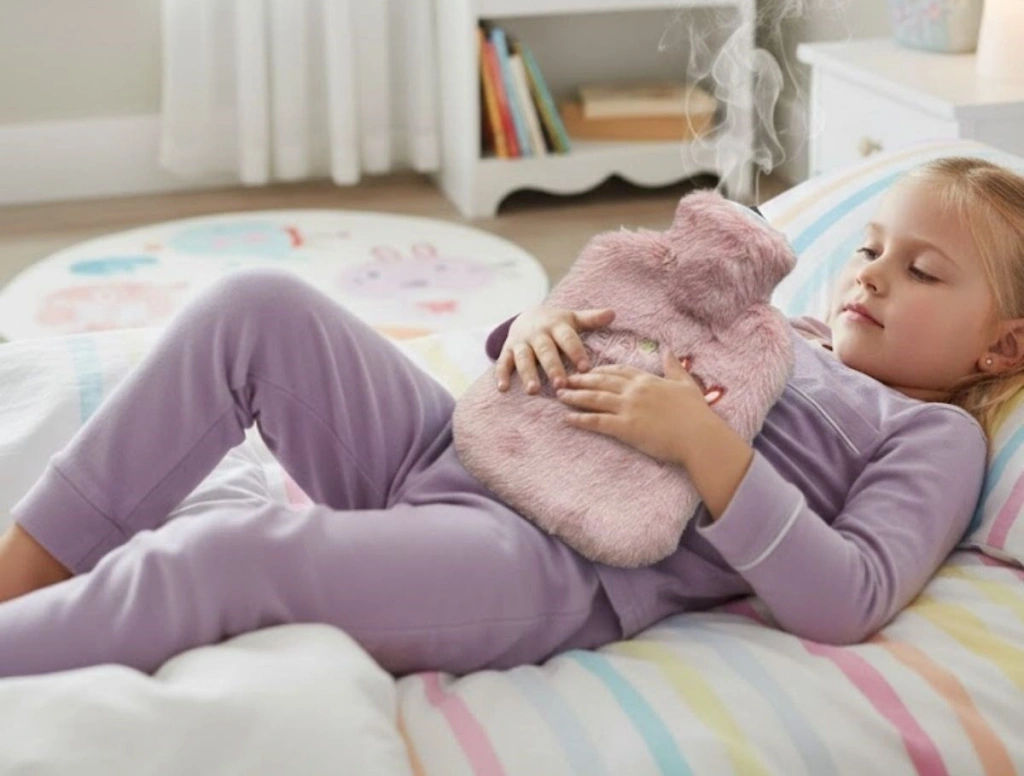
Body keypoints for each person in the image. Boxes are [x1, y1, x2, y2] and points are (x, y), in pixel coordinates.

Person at [0, 156, 1022, 679]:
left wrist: (702, 445)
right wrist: (535, 327)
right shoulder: (777, 328)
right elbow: (609, 340)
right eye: (871, 248)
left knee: (229, 556)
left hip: (544, 560)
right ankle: (21, 573)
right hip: (461, 445)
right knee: (253, 306)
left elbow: (849, 596)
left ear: (1002, 348)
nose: (872, 275)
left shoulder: (926, 434)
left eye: (922, 270)